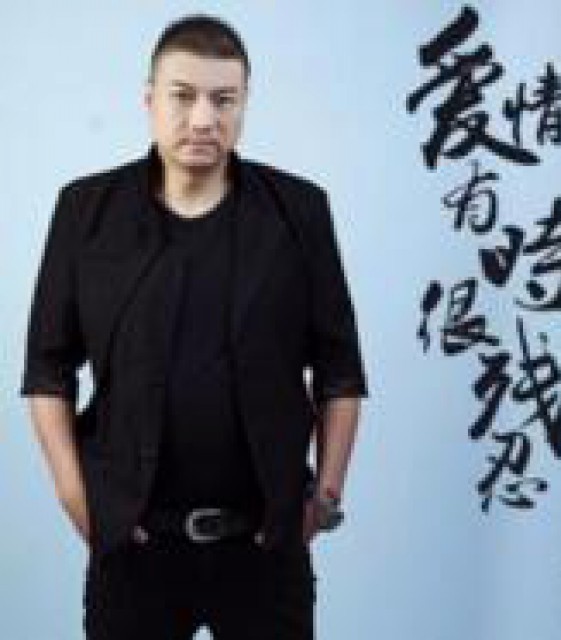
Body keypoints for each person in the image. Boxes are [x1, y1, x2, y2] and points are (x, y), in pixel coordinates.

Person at [19, 12, 368, 640]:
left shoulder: (299, 211)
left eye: (223, 100)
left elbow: (340, 368)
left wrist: (327, 495)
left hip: (265, 545)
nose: (203, 119)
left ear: (244, 104)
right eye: (183, 96)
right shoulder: (86, 211)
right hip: (134, 546)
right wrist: (78, 501)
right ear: (149, 100)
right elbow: (47, 370)